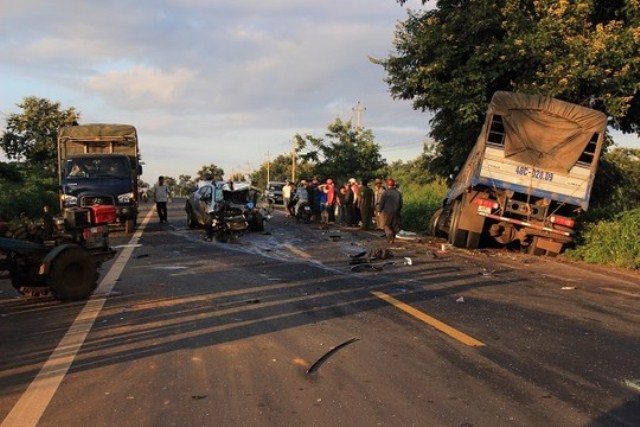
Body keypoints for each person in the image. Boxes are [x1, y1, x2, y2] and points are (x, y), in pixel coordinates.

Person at [377, 178, 403, 243]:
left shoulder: (385, 193)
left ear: (387, 185)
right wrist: (398, 210)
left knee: (386, 225)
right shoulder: (398, 193)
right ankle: (392, 239)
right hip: (396, 212)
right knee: (394, 226)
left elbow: (382, 202)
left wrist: (379, 210)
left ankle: (389, 237)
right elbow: (400, 203)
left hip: (387, 212)